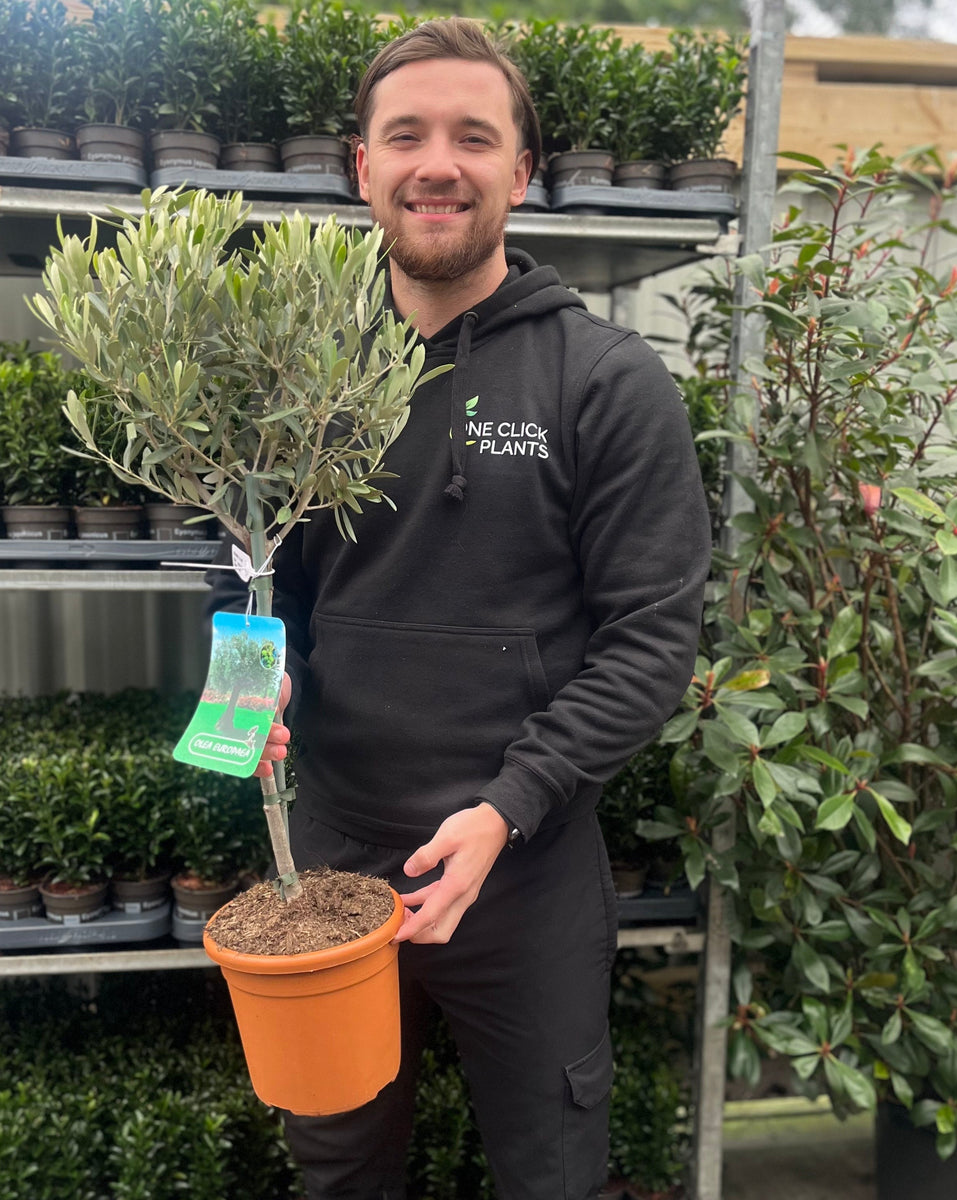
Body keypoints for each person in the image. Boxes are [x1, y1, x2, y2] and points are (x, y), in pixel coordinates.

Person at [219, 17, 711, 1200]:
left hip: (526, 871)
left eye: (473, 137)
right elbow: (243, 572)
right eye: (407, 135)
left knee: (551, 1168)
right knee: (338, 1169)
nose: (438, 163)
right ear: (363, 167)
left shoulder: (605, 382)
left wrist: (508, 808)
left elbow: (651, 640)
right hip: (330, 868)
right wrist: (246, 695)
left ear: (519, 173)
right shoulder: (298, 382)